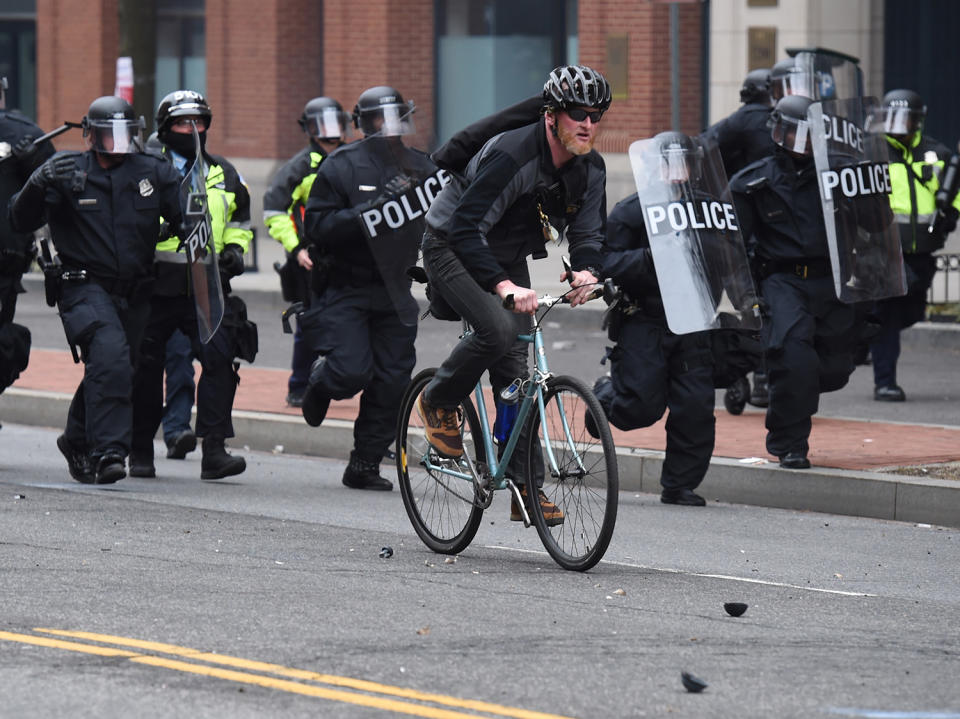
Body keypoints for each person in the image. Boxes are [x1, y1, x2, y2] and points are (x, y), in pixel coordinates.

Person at [416, 65, 609, 522]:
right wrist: (503, 287)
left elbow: (589, 232)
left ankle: (526, 490)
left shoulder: (590, 168)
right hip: (450, 245)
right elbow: (464, 229)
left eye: (597, 116)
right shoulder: (513, 156)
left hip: (504, 254)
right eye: (578, 113)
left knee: (517, 376)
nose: (588, 124)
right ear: (551, 116)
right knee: (498, 330)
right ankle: (437, 400)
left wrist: (587, 271)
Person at [9, 95, 184, 484]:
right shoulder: (66, 170)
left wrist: (199, 235)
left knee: (120, 367)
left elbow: (185, 214)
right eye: (110, 135)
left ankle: (74, 438)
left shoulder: (153, 171)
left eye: (126, 135)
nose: (118, 143)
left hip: (136, 290)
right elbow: (21, 220)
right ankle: (108, 451)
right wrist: (37, 183)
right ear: (89, 135)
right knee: (110, 356)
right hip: (83, 286)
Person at [300, 85, 439, 491]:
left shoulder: (421, 167)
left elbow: (445, 216)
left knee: (393, 379)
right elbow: (319, 228)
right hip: (346, 285)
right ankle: (322, 378)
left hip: (395, 286)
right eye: (381, 118)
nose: (390, 126)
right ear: (364, 123)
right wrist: (372, 208)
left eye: (397, 117)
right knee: (350, 371)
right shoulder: (341, 165)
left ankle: (363, 463)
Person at [591, 132, 722, 507]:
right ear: (657, 167)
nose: (679, 172)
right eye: (672, 163)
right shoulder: (632, 211)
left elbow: (731, 253)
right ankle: (603, 397)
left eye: (686, 163)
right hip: (644, 317)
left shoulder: (709, 208)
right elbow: (604, 264)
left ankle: (679, 484)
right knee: (639, 407)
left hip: (694, 316)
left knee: (695, 405)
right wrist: (650, 259)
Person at [129, 90, 254, 481]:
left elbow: (240, 222)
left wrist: (235, 250)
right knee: (144, 369)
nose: (193, 130)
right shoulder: (144, 168)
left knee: (221, 359)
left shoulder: (224, 173)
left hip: (207, 286)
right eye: (184, 123)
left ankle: (214, 451)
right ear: (166, 129)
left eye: (200, 122)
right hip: (155, 286)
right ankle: (139, 451)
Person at [729, 95, 858, 469]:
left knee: (832, 369)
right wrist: (747, 296)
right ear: (777, 131)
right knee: (794, 357)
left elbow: (872, 227)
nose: (799, 142)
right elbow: (735, 246)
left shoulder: (841, 174)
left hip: (831, 281)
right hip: (783, 281)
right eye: (792, 132)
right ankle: (790, 444)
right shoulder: (753, 183)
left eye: (807, 134)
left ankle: (795, 401)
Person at [868, 89, 960, 402]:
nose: (898, 125)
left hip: (923, 252)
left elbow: (955, 188)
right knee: (889, 316)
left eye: (905, 119)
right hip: (886, 251)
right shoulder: (873, 153)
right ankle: (885, 381)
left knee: (913, 311)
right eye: (892, 118)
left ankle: (866, 334)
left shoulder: (938, 152)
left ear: (917, 121)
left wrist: (953, 212)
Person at [263, 96, 348, 407]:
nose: (330, 131)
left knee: (347, 321)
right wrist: (297, 248)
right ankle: (299, 386)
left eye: (336, 123)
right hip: (308, 259)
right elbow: (274, 210)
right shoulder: (298, 167)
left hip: (345, 258)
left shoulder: (352, 159)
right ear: (309, 129)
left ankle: (331, 380)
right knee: (309, 324)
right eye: (322, 124)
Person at [701, 68, 777, 414]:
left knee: (748, 302)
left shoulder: (743, 122)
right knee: (758, 304)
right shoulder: (770, 120)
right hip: (766, 229)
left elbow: (701, 146)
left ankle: (741, 371)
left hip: (736, 228)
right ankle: (758, 376)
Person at [0, 76, 56, 398]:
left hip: (5, 262)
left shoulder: (24, 135)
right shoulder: (25, 132)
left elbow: (57, 193)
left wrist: (35, 164)